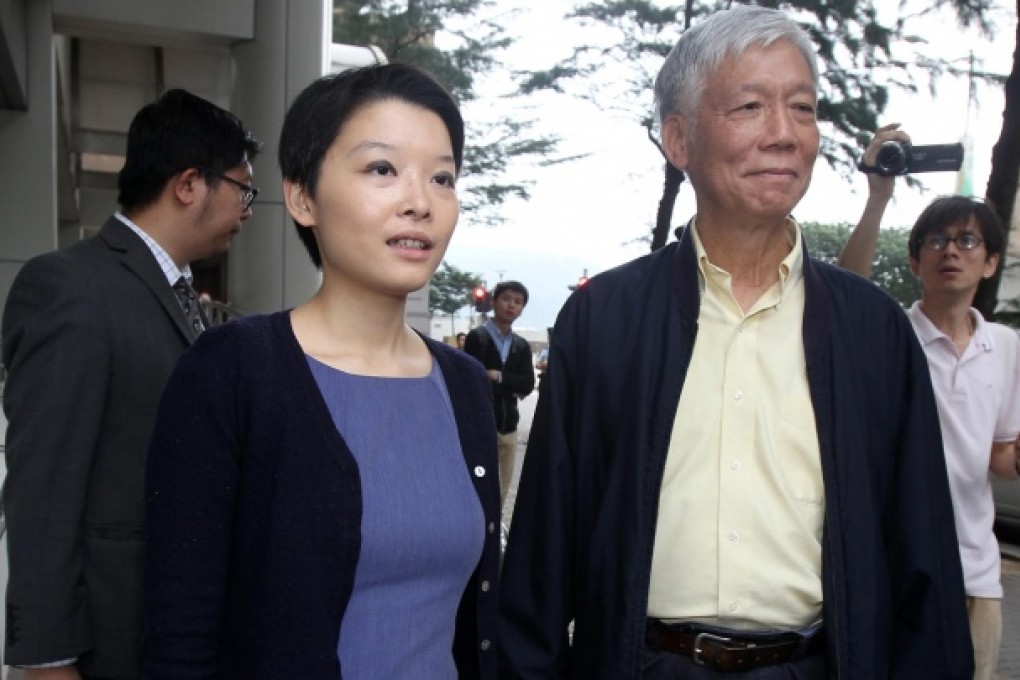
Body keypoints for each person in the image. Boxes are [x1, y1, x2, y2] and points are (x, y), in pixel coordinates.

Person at [498, 6, 973, 678]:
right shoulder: (605, 320)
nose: (784, 134)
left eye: (802, 109)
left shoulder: (873, 331)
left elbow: (922, 560)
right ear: (679, 139)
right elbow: (543, 556)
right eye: (750, 106)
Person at [143, 63, 500, 679]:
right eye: (382, 169)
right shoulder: (232, 372)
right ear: (302, 197)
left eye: (442, 177)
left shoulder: (464, 385)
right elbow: (180, 632)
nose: (420, 202)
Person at [1, 89, 260, 679]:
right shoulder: (71, 286)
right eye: (243, 188)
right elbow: (43, 484)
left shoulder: (179, 294)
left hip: (172, 631)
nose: (248, 209)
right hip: (109, 635)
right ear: (190, 184)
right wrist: (45, 658)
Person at [841, 131, 1020, 680]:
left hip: (977, 577)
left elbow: (1001, 458)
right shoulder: (893, 333)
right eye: (936, 241)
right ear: (916, 261)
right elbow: (845, 292)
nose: (950, 251)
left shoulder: (1007, 346)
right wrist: (877, 197)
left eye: (967, 242)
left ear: (991, 262)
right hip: (898, 573)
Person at [463, 281, 536, 507]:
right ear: (493, 302)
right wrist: (510, 384)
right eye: (506, 299)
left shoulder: (521, 346)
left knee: (503, 485)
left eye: (518, 302)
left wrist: (498, 376)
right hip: (481, 423)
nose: (511, 306)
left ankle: (495, 532)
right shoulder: (478, 338)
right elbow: (474, 381)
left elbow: (527, 384)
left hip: (509, 424)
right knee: (478, 482)